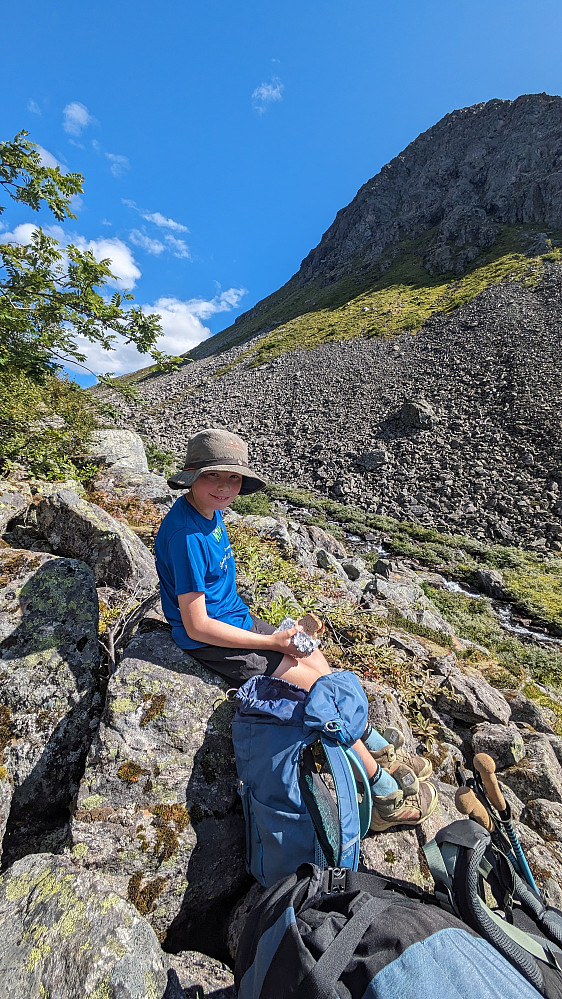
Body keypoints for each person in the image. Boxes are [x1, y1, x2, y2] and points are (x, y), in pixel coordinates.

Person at [154, 428, 437, 830]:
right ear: (191, 476)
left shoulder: (208, 513)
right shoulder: (186, 535)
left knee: (316, 658)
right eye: (214, 476)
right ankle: (379, 791)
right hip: (212, 641)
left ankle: (369, 740)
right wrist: (271, 641)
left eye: (233, 478)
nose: (224, 487)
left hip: (236, 618)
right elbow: (197, 625)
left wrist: (285, 637)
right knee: (316, 690)